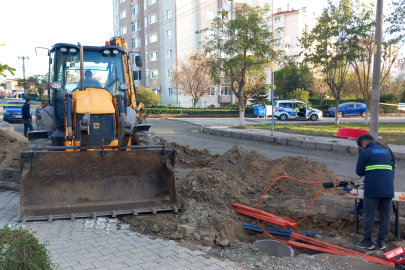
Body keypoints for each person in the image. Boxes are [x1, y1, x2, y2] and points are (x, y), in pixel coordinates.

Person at [355, 134, 395, 250]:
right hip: (388, 189)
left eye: (361, 147)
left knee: (369, 215)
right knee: (385, 216)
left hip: (373, 189)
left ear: (364, 144)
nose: (361, 149)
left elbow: (359, 172)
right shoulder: (386, 151)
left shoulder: (365, 152)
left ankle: (367, 241)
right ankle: (381, 241)